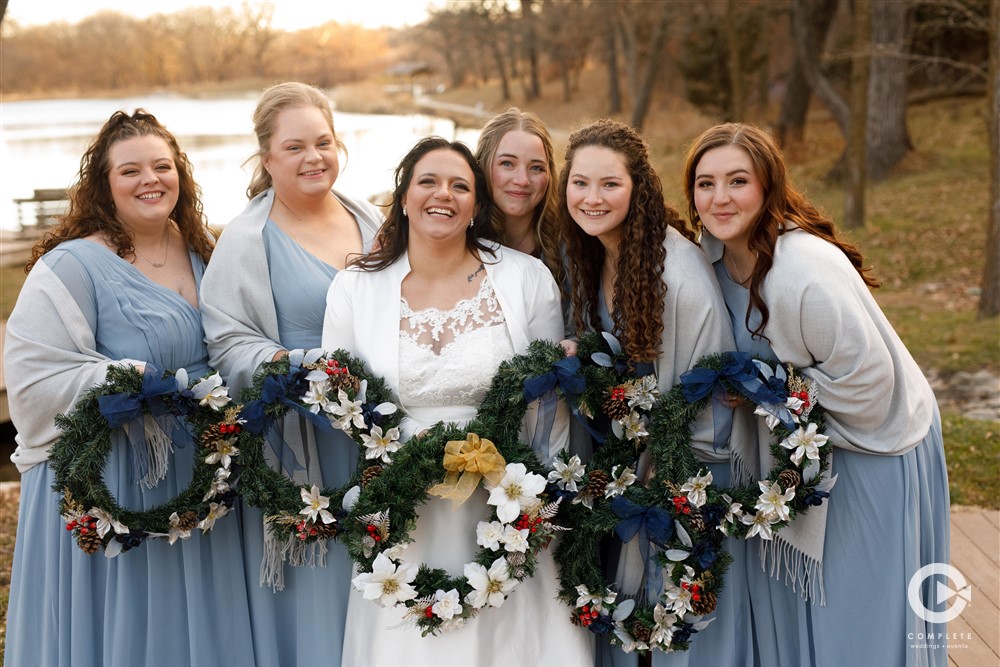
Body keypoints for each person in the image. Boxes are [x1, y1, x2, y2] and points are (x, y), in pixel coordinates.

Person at [682, 122, 950, 667]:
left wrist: (765, 391)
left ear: (768, 188)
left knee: (857, 608)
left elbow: (869, 386)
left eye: (738, 181)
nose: (720, 198)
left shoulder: (802, 271)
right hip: (809, 443)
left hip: (876, 445)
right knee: (811, 604)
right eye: (705, 183)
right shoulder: (712, 259)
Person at [322, 136, 594, 666]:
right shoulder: (356, 288)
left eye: (460, 185)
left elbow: (547, 401)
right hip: (406, 501)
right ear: (403, 198)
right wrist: (413, 457)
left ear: (476, 205)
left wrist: (529, 494)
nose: (442, 195)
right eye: (428, 181)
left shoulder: (524, 278)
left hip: (507, 498)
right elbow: (344, 397)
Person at [3, 109, 256, 667]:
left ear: (181, 177)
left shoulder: (205, 251)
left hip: (198, 475)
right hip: (115, 474)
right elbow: (32, 376)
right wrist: (129, 381)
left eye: (163, 166)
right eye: (131, 171)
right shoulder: (72, 266)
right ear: (104, 185)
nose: (151, 180)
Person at [199, 82, 383, 666]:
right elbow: (225, 340)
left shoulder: (374, 219)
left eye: (323, 143)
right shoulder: (246, 240)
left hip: (381, 434)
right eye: (295, 147)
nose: (313, 158)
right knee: (323, 592)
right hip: (304, 444)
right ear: (267, 158)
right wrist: (292, 367)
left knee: (387, 585)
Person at [558, 119, 752, 667]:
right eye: (580, 183)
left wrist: (655, 474)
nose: (592, 198)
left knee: (674, 622)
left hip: (684, 467)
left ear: (638, 189)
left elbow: (702, 391)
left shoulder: (677, 277)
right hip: (631, 456)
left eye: (609, 184)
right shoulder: (598, 250)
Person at [474, 107, 563, 282]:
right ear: (482, 165)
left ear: (549, 175)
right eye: (507, 163)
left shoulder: (570, 246)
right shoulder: (460, 239)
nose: (522, 180)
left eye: (536, 168)